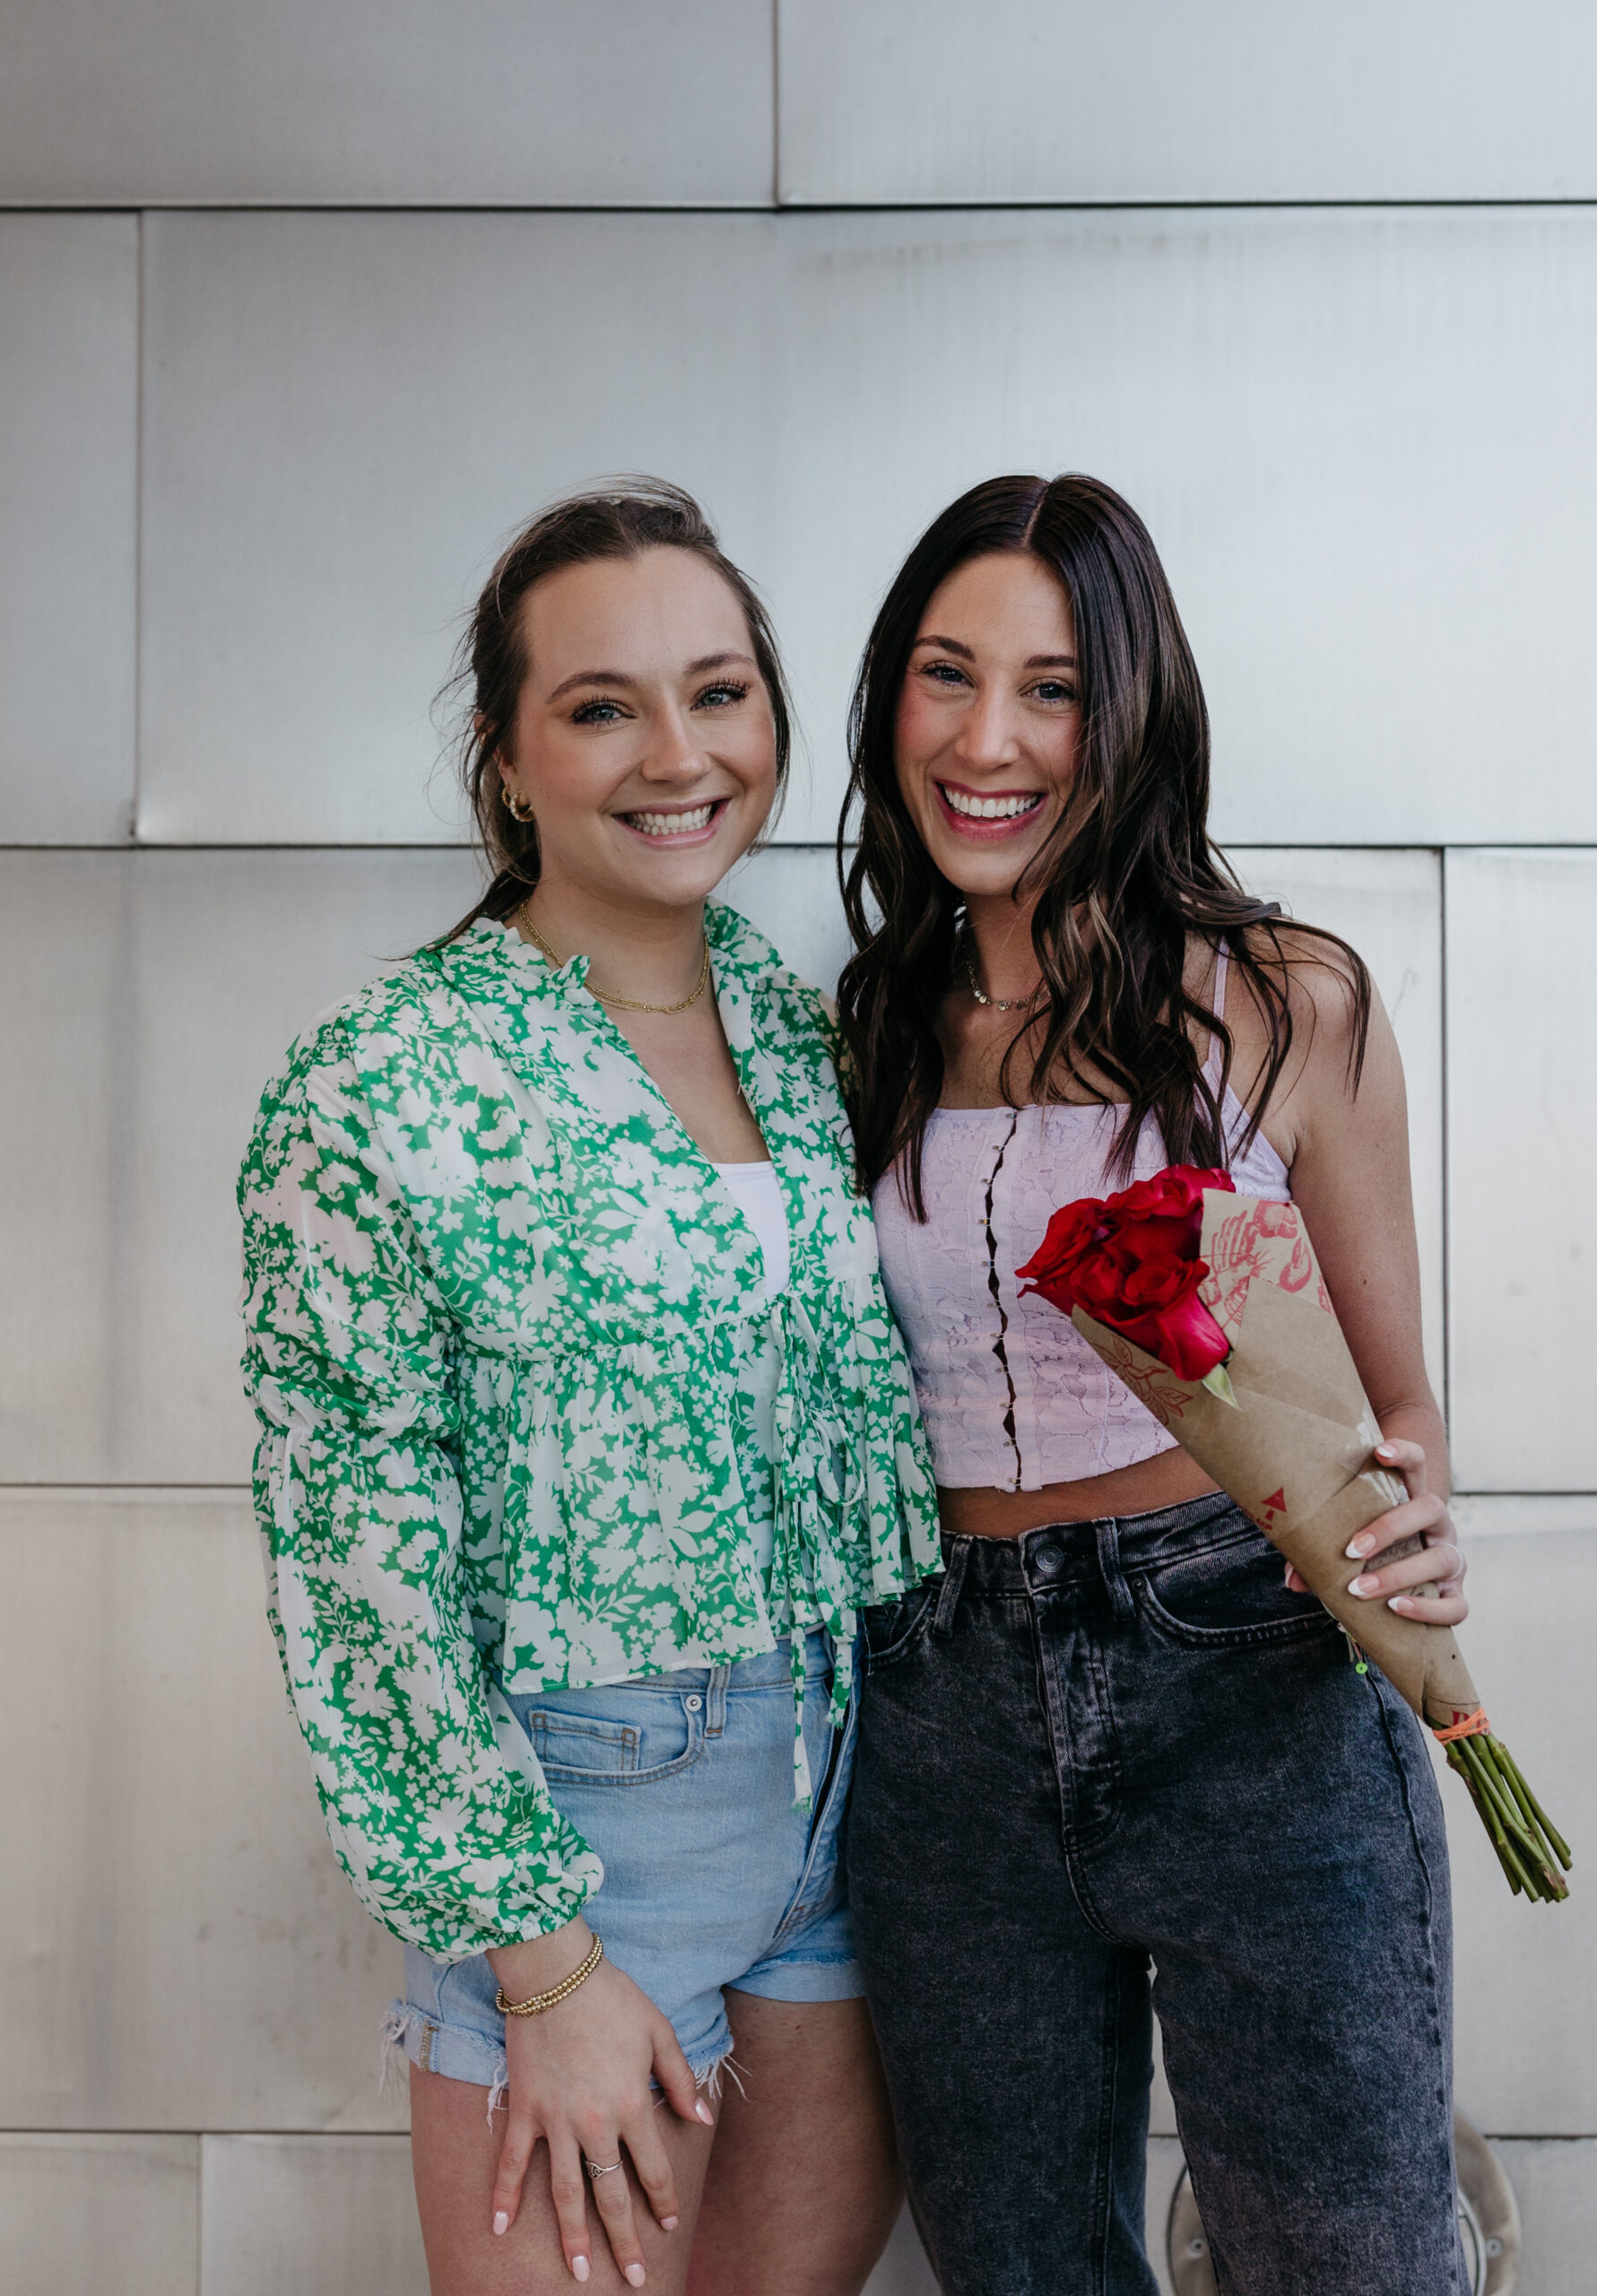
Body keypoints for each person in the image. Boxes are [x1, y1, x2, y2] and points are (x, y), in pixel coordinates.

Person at [239, 483, 938, 2296]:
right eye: (603, 704)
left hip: (857, 1797)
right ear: (507, 754)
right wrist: (538, 1960)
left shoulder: (805, 1033)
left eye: (718, 691)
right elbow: (358, 1568)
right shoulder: (379, 1083)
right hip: (584, 1828)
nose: (676, 752)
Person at [837, 474, 1471, 2296]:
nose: (987, 739)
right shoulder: (867, 1018)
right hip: (937, 1706)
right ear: (891, 701)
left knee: (1348, 2263)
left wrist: (1414, 1514)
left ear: (1131, 715)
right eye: (946, 677)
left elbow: (1391, 1403)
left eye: (1050, 688)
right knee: (1021, 2266)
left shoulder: (1288, 1001)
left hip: (1250, 1668)